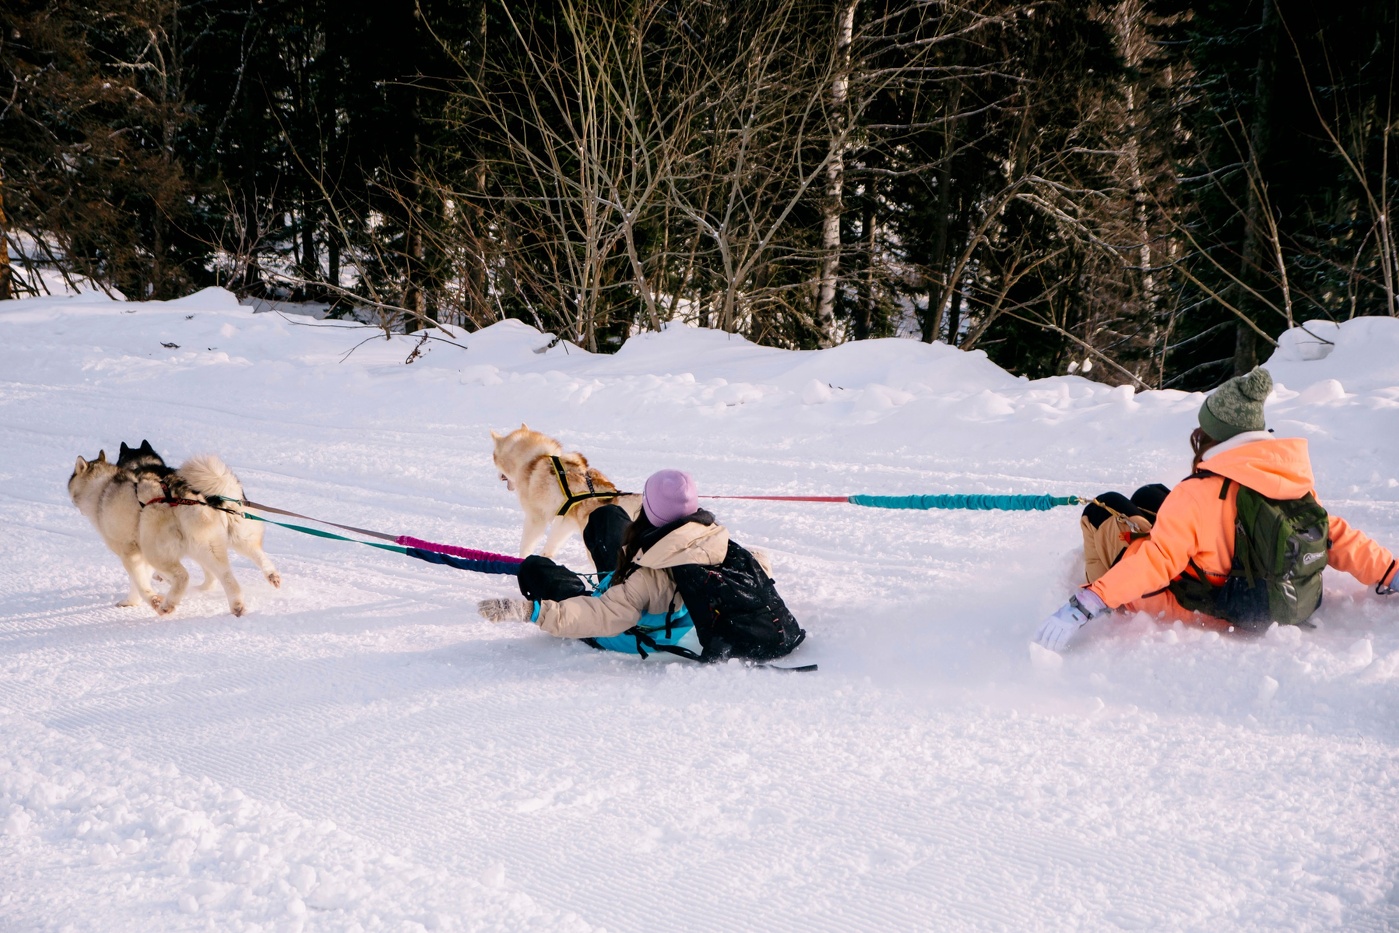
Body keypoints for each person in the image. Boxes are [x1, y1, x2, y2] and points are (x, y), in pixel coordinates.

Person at [1035, 367, 1397, 651]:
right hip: (1278, 593)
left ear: (1216, 436)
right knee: (1151, 493)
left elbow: (1156, 562)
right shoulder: (1290, 479)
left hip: (1207, 604)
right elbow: (1337, 536)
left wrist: (1086, 603)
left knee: (1104, 508)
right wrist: (1391, 573)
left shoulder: (1198, 494)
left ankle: (1096, 583)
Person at [478, 469, 807, 663]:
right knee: (607, 516)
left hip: (626, 623)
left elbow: (601, 617)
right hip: (642, 584)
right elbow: (758, 564)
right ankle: (603, 573)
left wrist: (532, 612)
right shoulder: (713, 537)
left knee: (535, 568)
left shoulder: (648, 579)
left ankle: (567, 587)